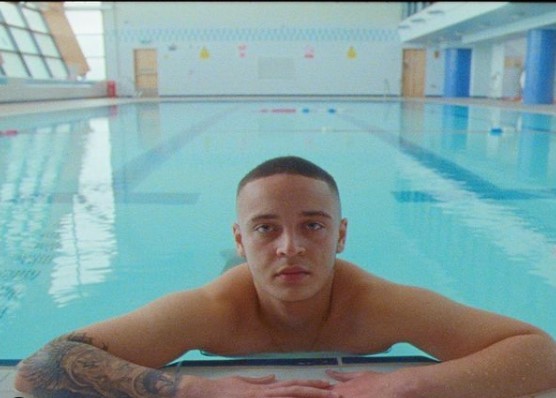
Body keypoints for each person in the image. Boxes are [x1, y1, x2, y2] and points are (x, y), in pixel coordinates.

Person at [15, 155, 556, 398]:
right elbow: (38, 369)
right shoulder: (212, 310)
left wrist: (408, 383)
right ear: (240, 239)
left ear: (342, 236)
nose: (290, 247)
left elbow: (540, 353)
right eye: (265, 228)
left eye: (313, 227)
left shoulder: (378, 304)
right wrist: (200, 392)